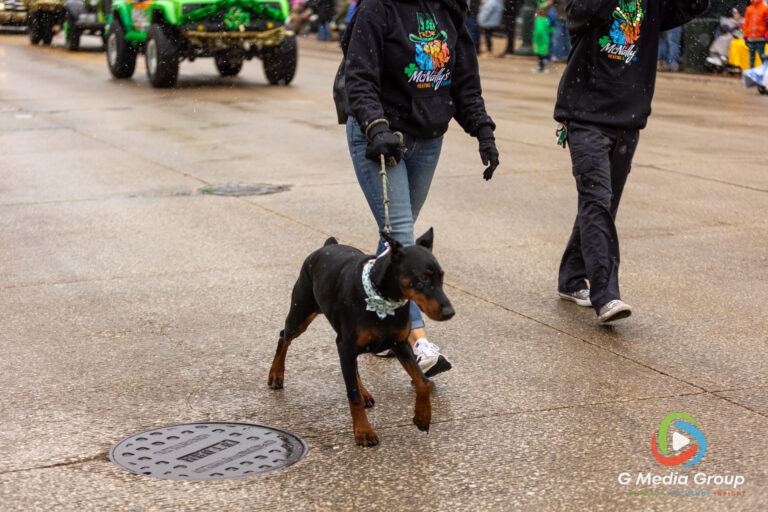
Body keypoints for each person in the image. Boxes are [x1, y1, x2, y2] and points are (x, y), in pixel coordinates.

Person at [336, 0, 499, 376]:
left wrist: (483, 130)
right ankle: (418, 341)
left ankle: (375, 325)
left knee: (394, 240)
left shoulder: (448, 7)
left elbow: (463, 80)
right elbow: (358, 77)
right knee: (403, 234)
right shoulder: (378, 8)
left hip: (429, 139)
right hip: (380, 137)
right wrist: (375, 125)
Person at [553, 0, 707, 323]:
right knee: (596, 201)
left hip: (628, 117)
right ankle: (605, 295)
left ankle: (571, 277)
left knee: (603, 205)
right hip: (584, 115)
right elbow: (579, 16)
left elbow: (688, 7)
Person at [744, 0, 768, 69]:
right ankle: (752, 74)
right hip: (751, 38)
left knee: (762, 56)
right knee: (752, 58)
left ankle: (765, 72)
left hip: (761, 38)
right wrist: (745, 35)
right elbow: (746, 23)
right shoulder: (749, 9)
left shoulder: (765, 8)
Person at [533, 1, 553, 72]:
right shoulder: (546, 20)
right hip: (545, 40)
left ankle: (540, 67)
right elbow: (548, 29)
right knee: (542, 55)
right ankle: (542, 67)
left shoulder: (539, 20)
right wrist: (552, 29)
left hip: (540, 41)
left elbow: (539, 30)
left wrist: (537, 36)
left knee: (539, 55)